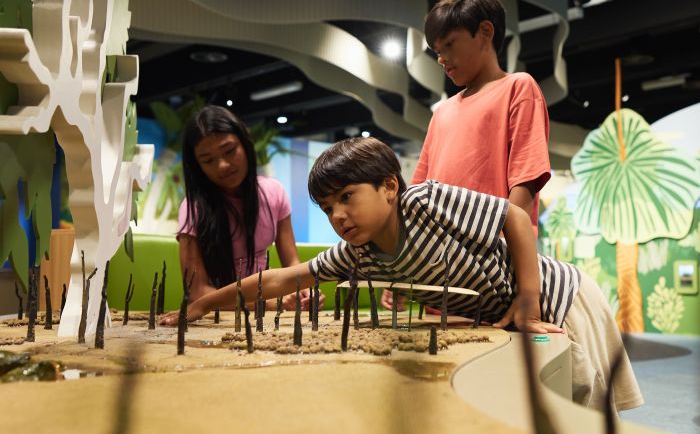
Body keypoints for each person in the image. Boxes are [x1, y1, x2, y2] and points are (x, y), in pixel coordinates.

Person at [162, 137, 643, 412]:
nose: (338, 215)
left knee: (586, 408)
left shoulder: (425, 203)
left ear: (390, 187)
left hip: (561, 297)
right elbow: (283, 279)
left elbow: (515, 218)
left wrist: (528, 299)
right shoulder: (359, 255)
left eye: (347, 197)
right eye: (328, 207)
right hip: (510, 317)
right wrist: (203, 303)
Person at [382, 0, 552, 311]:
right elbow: (418, 198)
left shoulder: (518, 88)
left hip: (494, 272)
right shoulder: (442, 112)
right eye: (436, 51)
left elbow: (525, 184)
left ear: (484, 33)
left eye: (449, 44)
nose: (442, 58)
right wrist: (404, 267)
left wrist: (522, 283)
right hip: (439, 272)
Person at [178, 105, 316, 310]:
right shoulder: (193, 208)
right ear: (197, 166)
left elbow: (292, 264)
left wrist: (305, 290)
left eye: (229, 151)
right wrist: (268, 304)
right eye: (208, 160)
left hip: (266, 312)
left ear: (245, 143)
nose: (223, 165)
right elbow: (198, 293)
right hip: (217, 316)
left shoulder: (274, 192)